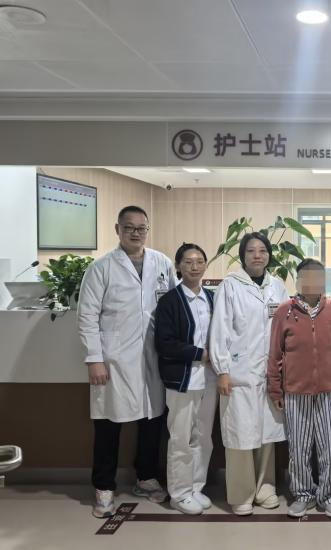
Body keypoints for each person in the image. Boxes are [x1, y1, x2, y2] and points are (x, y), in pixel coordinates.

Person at [77, 205, 176, 518]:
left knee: (152, 420)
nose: (136, 233)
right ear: (117, 229)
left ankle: (145, 477)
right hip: (114, 358)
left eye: (141, 227)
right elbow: (87, 316)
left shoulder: (162, 263)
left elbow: (174, 306)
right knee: (109, 423)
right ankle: (104, 486)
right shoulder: (101, 268)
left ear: (148, 230)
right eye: (129, 227)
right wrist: (94, 359)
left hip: (153, 356)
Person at [209, 232, 288, 516]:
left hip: (270, 372)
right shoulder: (230, 286)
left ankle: (265, 488)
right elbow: (220, 329)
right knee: (240, 434)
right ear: (243, 256)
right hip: (239, 371)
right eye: (251, 251)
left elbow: (286, 328)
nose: (257, 255)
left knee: (267, 433)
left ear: (269, 255)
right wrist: (222, 370)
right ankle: (241, 493)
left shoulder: (277, 286)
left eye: (263, 250)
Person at [267, 259, 331, 519]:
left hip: (329, 390)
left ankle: (329, 495)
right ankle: (303, 494)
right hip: (295, 392)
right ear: (299, 280)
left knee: (329, 445)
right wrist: (275, 389)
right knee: (299, 448)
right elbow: (274, 354)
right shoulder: (284, 311)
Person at [154, 243, 217, 515]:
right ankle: (179, 493)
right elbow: (164, 343)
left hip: (210, 379)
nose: (194, 266)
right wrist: (199, 353)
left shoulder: (212, 297)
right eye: (188, 262)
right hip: (182, 378)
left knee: (203, 437)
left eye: (200, 261)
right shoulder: (169, 301)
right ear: (178, 266)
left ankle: (196, 487)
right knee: (181, 437)